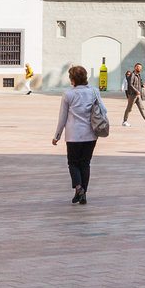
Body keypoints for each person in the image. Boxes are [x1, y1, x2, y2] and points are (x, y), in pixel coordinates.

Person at [53, 65, 102, 205]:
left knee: (73, 163)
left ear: (72, 79)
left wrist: (57, 135)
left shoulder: (68, 94)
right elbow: (103, 110)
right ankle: (83, 194)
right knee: (85, 164)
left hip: (73, 134)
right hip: (90, 134)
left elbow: (62, 117)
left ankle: (79, 187)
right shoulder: (94, 92)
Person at [122, 62, 145, 128]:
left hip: (138, 95)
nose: (139, 68)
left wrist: (143, 85)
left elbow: (139, 83)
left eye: (140, 67)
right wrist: (136, 91)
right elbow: (130, 84)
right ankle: (124, 121)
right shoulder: (132, 75)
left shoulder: (138, 75)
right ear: (135, 67)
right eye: (138, 67)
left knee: (142, 108)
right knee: (129, 108)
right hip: (133, 95)